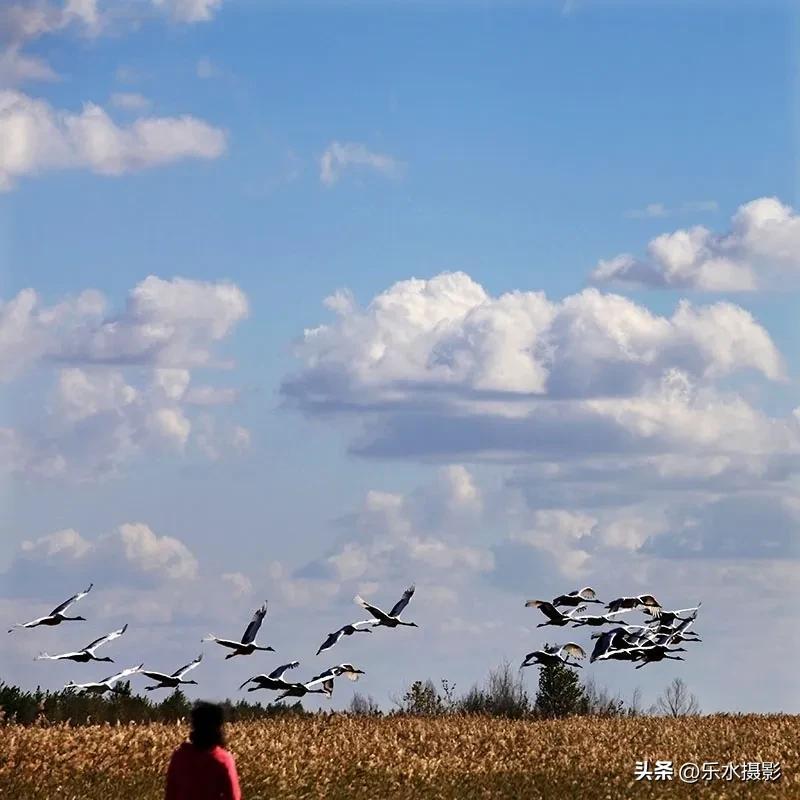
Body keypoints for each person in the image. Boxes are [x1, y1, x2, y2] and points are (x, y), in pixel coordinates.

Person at [165, 701, 242, 800]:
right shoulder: (223, 759)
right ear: (218, 728)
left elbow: (170, 795)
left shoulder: (179, 757)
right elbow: (234, 797)